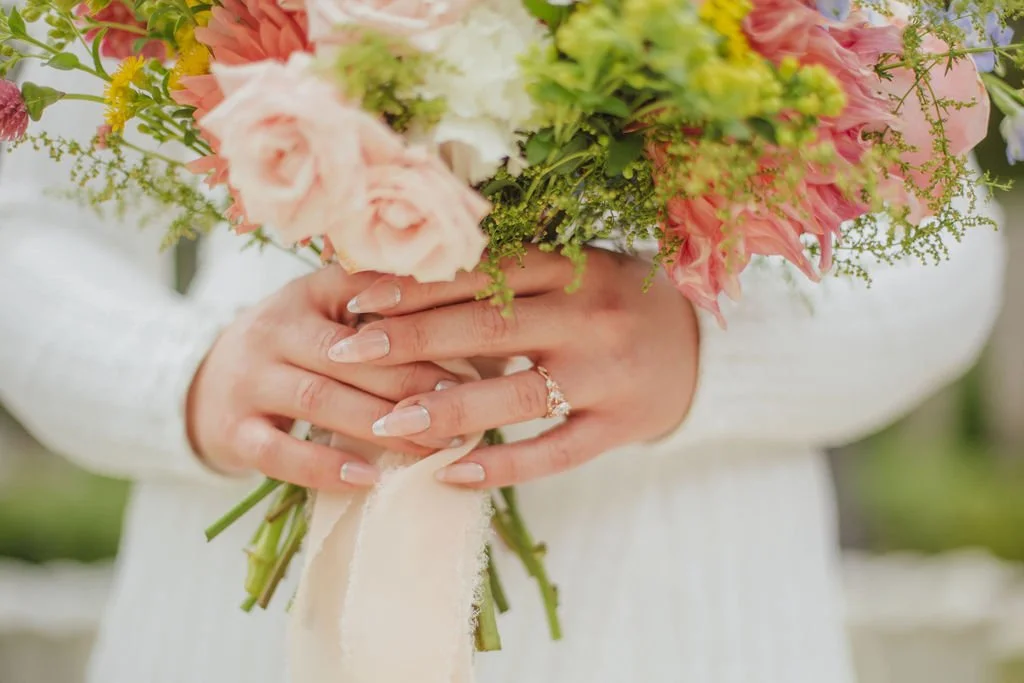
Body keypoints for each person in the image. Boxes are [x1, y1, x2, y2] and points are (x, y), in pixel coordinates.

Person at [0, 53, 1006, 683]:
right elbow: (22, 220)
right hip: (225, 621)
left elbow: (947, 235)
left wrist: (708, 351)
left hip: (694, 618)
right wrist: (185, 378)